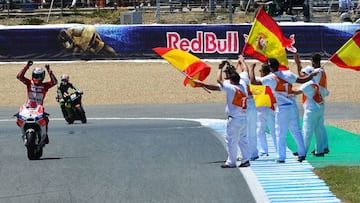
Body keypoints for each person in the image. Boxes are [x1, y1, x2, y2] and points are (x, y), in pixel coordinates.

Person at [249, 58, 318, 163]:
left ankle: (281, 157)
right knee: (296, 131)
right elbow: (301, 80)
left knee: (280, 133)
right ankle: (302, 153)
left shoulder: (271, 78)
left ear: (271, 68)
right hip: (292, 106)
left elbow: (253, 81)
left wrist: (251, 68)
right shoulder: (288, 74)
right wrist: (311, 76)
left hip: (282, 108)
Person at [193, 61, 250, 168]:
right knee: (243, 139)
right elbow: (245, 71)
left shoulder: (232, 88)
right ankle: (246, 159)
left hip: (234, 119)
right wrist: (241, 62)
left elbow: (218, 82)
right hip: (243, 117)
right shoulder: (243, 84)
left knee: (231, 140)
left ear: (231, 81)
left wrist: (218, 69)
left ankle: (231, 162)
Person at [294, 53, 330, 155]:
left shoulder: (313, 77)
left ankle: (302, 151)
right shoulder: (321, 72)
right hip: (320, 102)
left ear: (313, 61)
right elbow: (303, 75)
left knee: (307, 129)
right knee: (319, 128)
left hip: (312, 102)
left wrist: (298, 64)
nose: (304, 75)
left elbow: (301, 78)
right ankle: (321, 149)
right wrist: (298, 64)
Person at [17, 60, 58, 144]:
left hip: (38, 108)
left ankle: (45, 135)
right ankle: (23, 132)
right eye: (35, 75)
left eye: (38, 76)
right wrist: (27, 66)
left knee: (46, 120)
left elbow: (54, 82)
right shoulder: (29, 83)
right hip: (28, 107)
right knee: (19, 117)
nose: (36, 77)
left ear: (42, 76)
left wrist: (49, 70)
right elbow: (19, 77)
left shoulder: (45, 86)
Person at [237, 55, 259, 161]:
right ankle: (254, 152)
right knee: (252, 131)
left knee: (243, 132)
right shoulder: (244, 78)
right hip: (252, 104)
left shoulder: (235, 83)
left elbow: (244, 70)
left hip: (244, 107)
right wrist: (242, 61)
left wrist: (241, 62)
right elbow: (245, 70)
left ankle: (244, 153)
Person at [253, 63, 277, 156]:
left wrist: (251, 68)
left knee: (261, 130)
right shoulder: (272, 79)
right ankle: (274, 149)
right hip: (270, 107)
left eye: (260, 71)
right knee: (272, 130)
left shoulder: (264, 80)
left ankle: (265, 150)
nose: (260, 72)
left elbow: (252, 79)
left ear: (263, 72)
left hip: (266, 108)